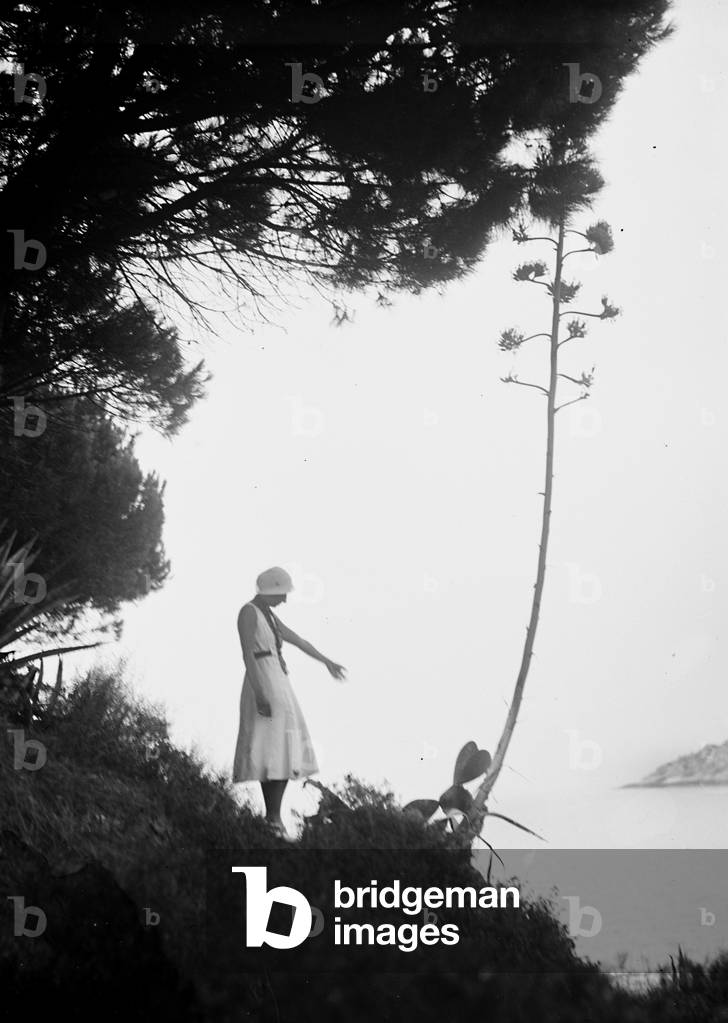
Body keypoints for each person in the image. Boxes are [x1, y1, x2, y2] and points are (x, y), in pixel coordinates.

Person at [233, 566, 346, 840]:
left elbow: (298, 641)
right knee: (269, 748)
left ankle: (274, 816)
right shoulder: (250, 612)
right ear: (271, 589)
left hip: (278, 679)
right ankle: (272, 816)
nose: (284, 599)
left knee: (282, 748)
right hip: (264, 679)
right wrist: (260, 693)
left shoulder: (268, 616)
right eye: (281, 593)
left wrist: (326, 661)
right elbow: (247, 653)